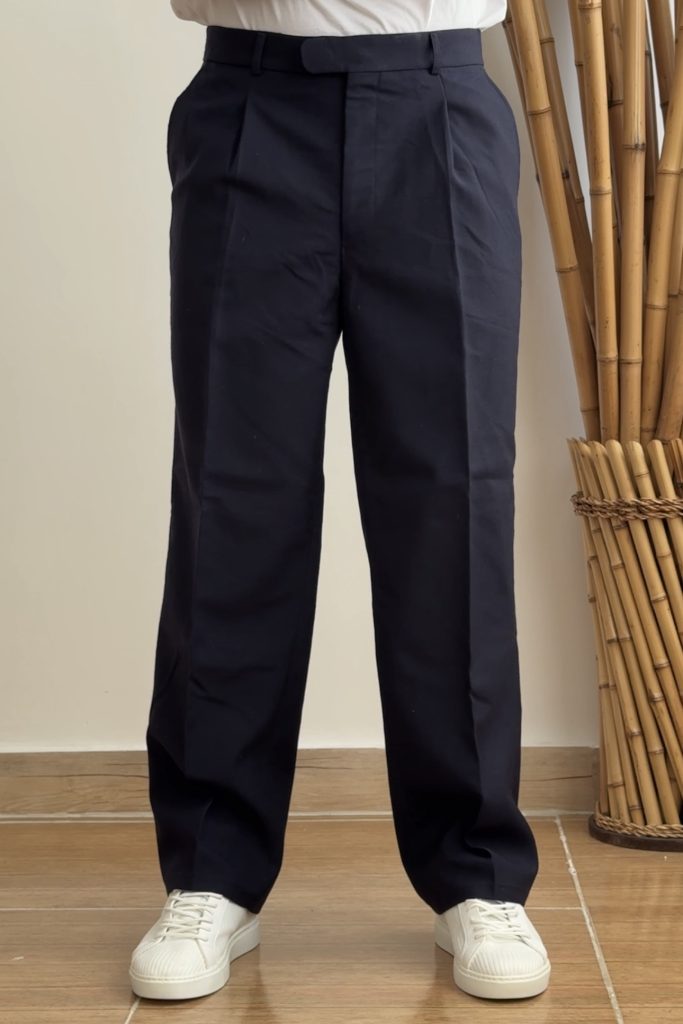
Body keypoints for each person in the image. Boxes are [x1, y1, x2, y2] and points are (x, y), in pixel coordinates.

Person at [129, 0, 551, 1003]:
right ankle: (211, 871)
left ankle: (477, 873)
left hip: (438, 103)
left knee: (451, 499)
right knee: (234, 495)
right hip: (249, 100)